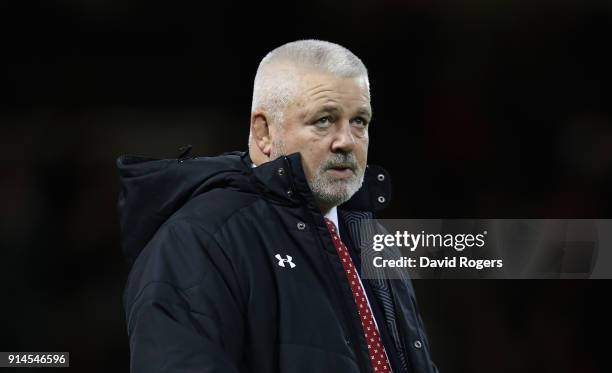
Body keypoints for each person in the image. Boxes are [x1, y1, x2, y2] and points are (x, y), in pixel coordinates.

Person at [117, 39, 438, 373]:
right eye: (324, 120)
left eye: (359, 121)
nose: (347, 140)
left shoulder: (374, 243)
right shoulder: (198, 241)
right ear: (264, 132)